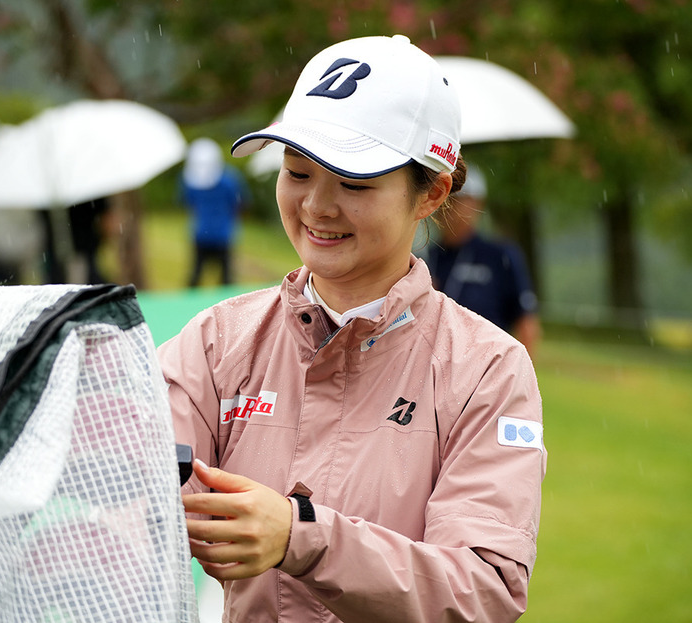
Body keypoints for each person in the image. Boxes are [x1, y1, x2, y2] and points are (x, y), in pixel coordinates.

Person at [158, 35, 545, 623]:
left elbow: (482, 590)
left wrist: (300, 537)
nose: (317, 206)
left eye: (354, 184)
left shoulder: (486, 367)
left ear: (431, 193)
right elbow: (131, 489)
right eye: (297, 172)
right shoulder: (218, 340)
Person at [421, 164, 542, 358]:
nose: (448, 206)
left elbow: (526, 325)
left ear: (477, 204)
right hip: (435, 366)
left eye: (458, 199)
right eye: (443, 197)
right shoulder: (425, 258)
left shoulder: (500, 255)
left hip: (488, 367)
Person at [180, 137, 250, 287]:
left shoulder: (189, 180)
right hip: (222, 234)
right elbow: (241, 203)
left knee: (197, 275)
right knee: (225, 279)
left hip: (203, 233)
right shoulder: (230, 179)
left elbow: (187, 202)